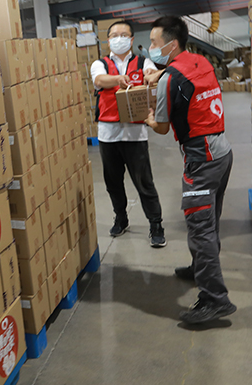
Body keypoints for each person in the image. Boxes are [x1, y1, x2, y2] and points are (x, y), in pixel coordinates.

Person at [144, 16, 236, 324]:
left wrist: (148, 119)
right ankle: (200, 269)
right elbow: (180, 74)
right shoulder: (199, 61)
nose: (151, 47)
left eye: (154, 43)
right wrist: (161, 74)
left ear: (171, 44)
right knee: (209, 222)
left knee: (200, 228)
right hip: (222, 152)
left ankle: (215, 299)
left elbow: (162, 127)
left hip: (202, 160)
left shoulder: (169, 80)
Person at [91, 20, 165, 248]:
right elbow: (99, 80)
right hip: (108, 134)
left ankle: (156, 225)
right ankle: (121, 218)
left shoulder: (143, 62)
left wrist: (151, 74)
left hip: (135, 134)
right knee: (113, 182)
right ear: (108, 40)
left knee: (144, 182)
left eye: (123, 35)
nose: (119, 39)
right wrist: (117, 79)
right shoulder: (100, 63)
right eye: (114, 35)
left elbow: (152, 75)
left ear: (131, 39)